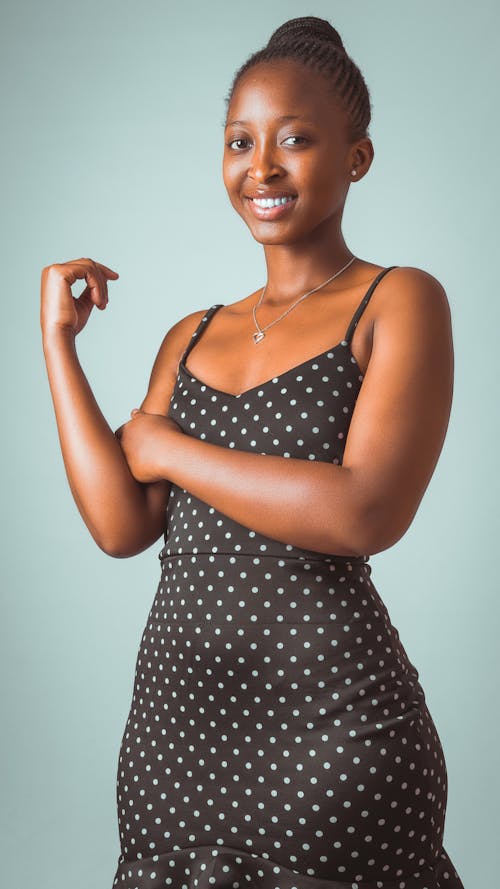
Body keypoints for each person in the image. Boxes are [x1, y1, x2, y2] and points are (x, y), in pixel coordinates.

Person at [40, 15, 465, 889]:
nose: (261, 167)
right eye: (240, 141)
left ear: (358, 157)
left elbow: (365, 512)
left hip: (333, 742)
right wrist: (58, 347)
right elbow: (122, 526)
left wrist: (166, 447)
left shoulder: (398, 302)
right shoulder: (189, 336)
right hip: (174, 741)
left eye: (296, 140)